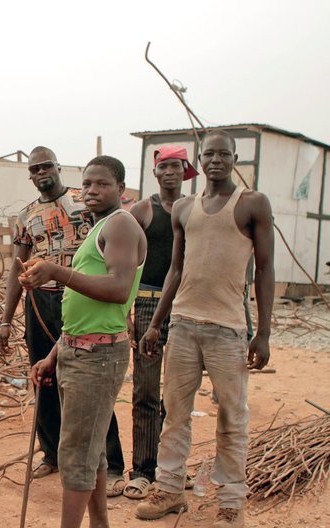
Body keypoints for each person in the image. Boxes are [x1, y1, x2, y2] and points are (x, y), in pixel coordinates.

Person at [135, 130, 274, 528]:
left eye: (223, 154)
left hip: (228, 328)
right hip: (182, 325)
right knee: (175, 413)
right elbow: (176, 270)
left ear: (235, 157)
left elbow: (264, 269)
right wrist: (157, 324)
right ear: (200, 158)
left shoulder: (252, 204)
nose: (216, 160)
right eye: (209, 153)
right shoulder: (183, 208)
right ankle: (170, 489)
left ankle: (231, 501)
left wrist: (262, 332)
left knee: (232, 416)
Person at [24, 155, 146, 528]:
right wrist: (54, 354)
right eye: (87, 184)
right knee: (90, 452)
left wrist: (58, 271)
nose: (92, 191)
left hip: (98, 357)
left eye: (102, 184)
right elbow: (85, 311)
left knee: (76, 453)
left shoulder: (121, 225)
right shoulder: (99, 228)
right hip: (79, 350)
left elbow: (119, 288)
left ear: (121, 190)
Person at [0, 147, 125, 491]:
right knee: (45, 377)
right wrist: (6, 320)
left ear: (58, 167)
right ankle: (51, 454)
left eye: (47, 166)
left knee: (90, 380)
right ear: (30, 174)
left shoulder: (86, 203)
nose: (42, 172)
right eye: (35, 168)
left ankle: (110, 463)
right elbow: (17, 267)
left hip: (83, 298)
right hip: (41, 301)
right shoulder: (25, 216)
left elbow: (115, 256)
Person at [123, 145, 196, 499]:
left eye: (176, 166)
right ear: (155, 173)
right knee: (146, 391)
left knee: (179, 394)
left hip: (185, 307)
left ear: (186, 171)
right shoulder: (142, 209)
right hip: (149, 304)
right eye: (163, 166)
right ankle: (142, 470)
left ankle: (172, 470)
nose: (170, 172)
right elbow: (123, 256)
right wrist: (125, 308)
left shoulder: (194, 208)